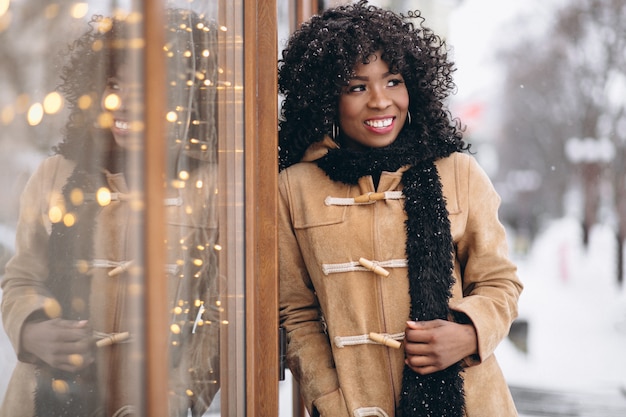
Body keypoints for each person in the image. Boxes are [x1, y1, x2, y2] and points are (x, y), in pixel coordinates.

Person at [277, 1, 523, 416]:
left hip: (471, 403)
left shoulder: (458, 172)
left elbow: (501, 284)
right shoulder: (294, 188)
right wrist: (333, 403)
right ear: (327, 99)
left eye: (393, 81)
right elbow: (295, 313)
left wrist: (468, 333)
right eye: (357, 87)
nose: (380, 101)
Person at [1, 9, 220, 417]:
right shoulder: (55, 174)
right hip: (41, 399)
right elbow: (21, 277)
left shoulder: (209, 187)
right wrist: (30, 329)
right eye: (114, 84)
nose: (120, 102)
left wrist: (176, 396)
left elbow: (221, 317)